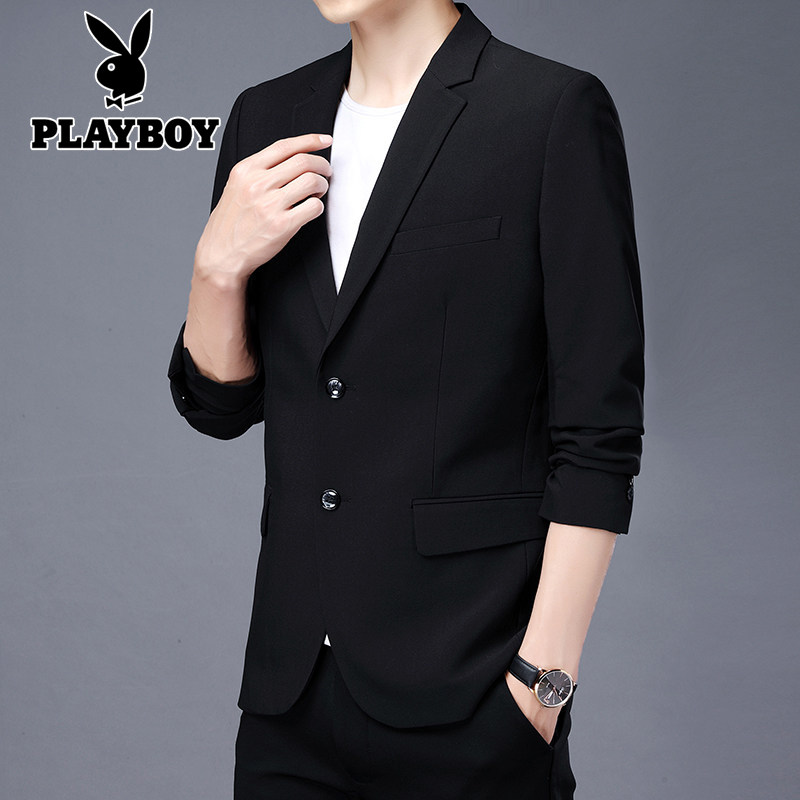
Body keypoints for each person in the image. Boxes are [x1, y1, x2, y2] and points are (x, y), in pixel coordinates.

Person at [167, 1, 645, 797]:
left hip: (473, 694)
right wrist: (214, 269)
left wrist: (542, 685)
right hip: (289, 704)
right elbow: (221, 407)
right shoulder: (268, 116)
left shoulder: (548, 111)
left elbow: (599, 432)